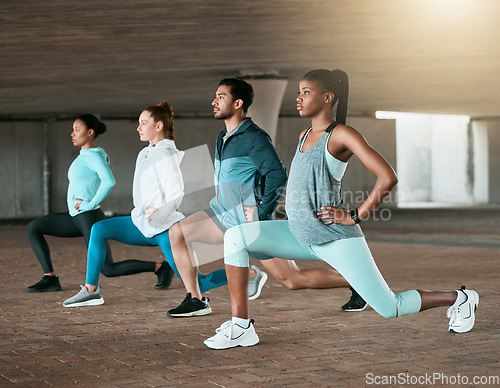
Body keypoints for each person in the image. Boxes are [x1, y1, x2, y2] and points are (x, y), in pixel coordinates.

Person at [204, 69, 479, 349]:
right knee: (236, 236)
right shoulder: (304, 134)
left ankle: (460, 298)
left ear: (327, 97)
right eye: (298, 92)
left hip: (334, 238)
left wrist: (355, 215)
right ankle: (241, 327)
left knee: (390, 307)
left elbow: (388, 176)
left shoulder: (341, 134)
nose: (298, 98)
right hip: (298, 233)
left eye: (306, 92)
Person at [166, 78, 365, 318]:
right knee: (177, 233)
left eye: (221, 97)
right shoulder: (222, 138)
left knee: (293, 280)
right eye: (216, 97)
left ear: (238, 103)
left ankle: (358, 283)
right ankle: (196, 299)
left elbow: (277, 174)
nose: (214, 102)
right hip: (220, 215)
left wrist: (261, 210)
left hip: (250, 226)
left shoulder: (254, 138)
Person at [62, 102, 227, 307]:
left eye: (143, 123)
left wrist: (159, 210)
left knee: (198, 283)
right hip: (140, 224)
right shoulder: (145, 152)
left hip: (166, 229)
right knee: (99, 228)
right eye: (139, 123)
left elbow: (176, 192)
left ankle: (248, 273)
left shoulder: (167, 153)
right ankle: (90, 290)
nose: (138, 127)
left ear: (158, 126)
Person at [26, 114, 117, 292]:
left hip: (89, 217)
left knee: (108, 269)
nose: (72, 134)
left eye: (77, 130)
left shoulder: (93, 156)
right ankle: (50, 278)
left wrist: (90, 204)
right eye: (73, 130)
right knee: (34, 227)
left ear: (90, 132)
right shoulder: (85, 155)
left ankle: (159, 267)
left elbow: (109, 181)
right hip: (75, 217)